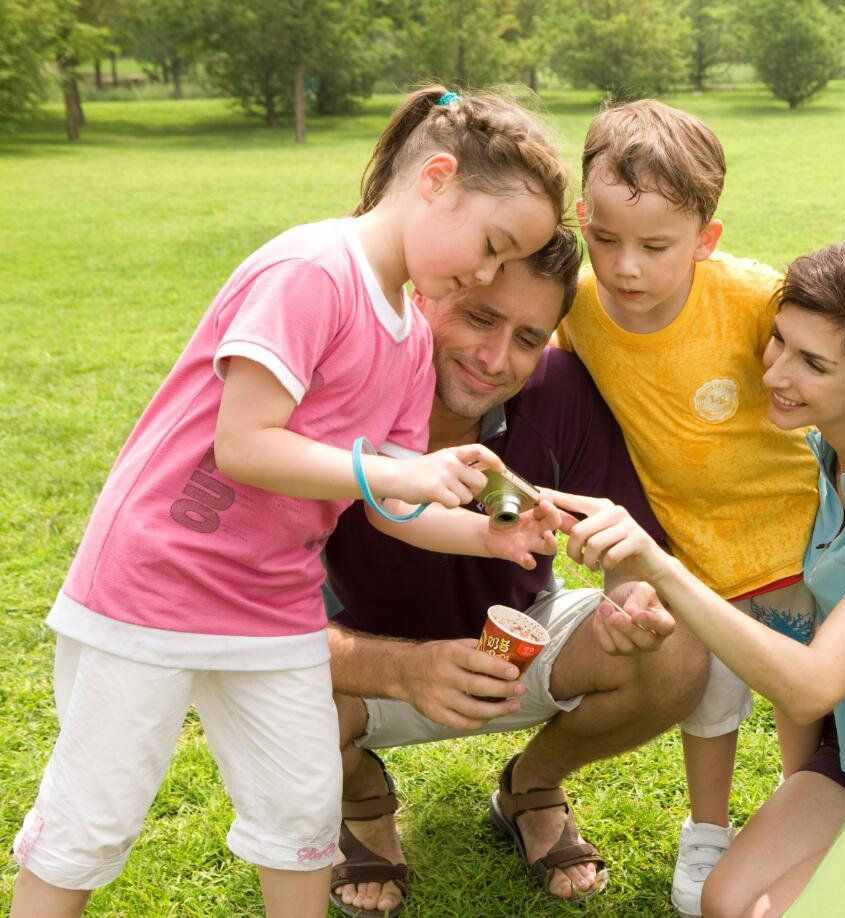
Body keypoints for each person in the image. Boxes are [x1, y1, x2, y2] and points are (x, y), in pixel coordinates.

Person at [8, 84, 569, 918]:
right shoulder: (311, 270)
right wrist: (392, 473)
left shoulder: (412, 332)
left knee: (301, 821)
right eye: (489, 245)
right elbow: (246, 444)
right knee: (91, 822)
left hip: (271, 605)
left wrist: (488, 537)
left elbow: (392, 505)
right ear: (435, 178)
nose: (485, 273)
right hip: (151, 588)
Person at [554, 242, 845, 918]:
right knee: (723, 901)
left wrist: (661, 570)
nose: (774, 373)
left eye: (812, 364)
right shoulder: (822, 450)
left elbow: (813, 682)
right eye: (779, 341)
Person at [323, 226, 711, 914]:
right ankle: (363, 802)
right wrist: (403, 670)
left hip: (516, 638)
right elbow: (244, 625)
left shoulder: (560, 390)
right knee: (266, 691)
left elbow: (622, 549)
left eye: (529, 338)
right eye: (479, 317)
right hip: (359, 667)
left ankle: (531, 787)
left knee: (679, 650)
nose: (496, 360)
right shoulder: (341, 388)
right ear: (426, 291)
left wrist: (632, 606)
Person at [554, 99, 822, 915]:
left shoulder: (753, 299)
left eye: (655, 247)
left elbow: (823, 377)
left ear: (705, 239)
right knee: (708, 698)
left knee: (795, 695)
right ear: (581, 219)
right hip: (687, 549)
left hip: (792, 542)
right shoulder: (577, 307)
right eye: (605, 240)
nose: (626, 267)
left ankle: (800, 819)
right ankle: (706, 831)